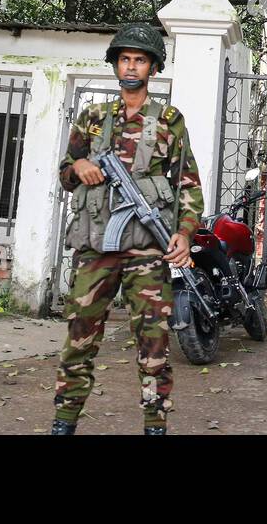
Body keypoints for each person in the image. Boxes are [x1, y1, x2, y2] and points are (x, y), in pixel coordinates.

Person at [52, 23, 202, 435]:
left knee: (154, 343)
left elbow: (188, 185)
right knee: (79, 338)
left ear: (152, 67)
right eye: (125, 59)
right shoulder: (93, 118)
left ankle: (156, 424)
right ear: (116, 65)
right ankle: (64, 420)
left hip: (147, 253)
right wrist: (78, 166)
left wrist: (184, 234)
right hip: (96, 247)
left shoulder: (170, 121)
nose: (132, 66)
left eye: (140, 59)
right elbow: (65, 171)